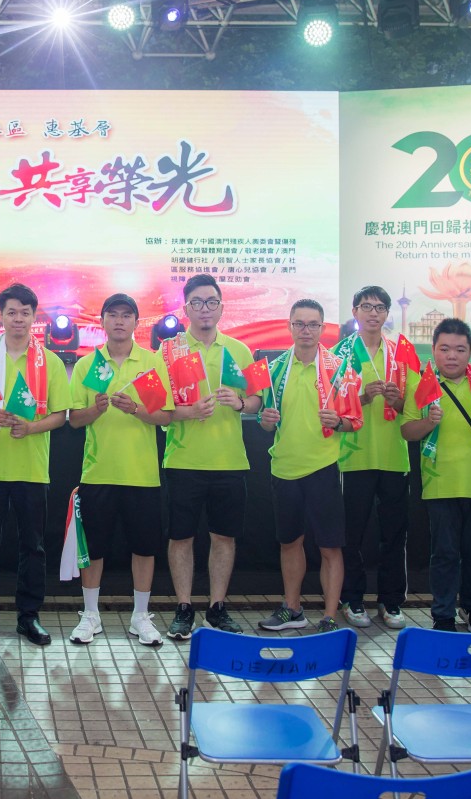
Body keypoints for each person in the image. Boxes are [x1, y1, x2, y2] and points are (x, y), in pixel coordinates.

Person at [0, 283, 70, 647]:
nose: (18, 319)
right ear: (1, 316)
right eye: (12, 312)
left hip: (31, 469)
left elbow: (60, 415)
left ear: (34, 317)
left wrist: (31, 427)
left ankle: (29, 616)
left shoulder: (50, 362)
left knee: (33, 546)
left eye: (25, 312)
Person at [68, 293, 175, 646]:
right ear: (101, 321)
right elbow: (74, 419)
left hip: (141, 474)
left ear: (136, 322)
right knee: (94, 549)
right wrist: (95, 410)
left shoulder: (150, 362)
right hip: (97, 472)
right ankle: (91, 615)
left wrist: (136, 410)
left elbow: (165, 417)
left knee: (144, 548)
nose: (119, 321)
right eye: (112, 314)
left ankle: (141, 616)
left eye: (126, 315)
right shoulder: (88, 365)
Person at [163, 274, 257, 640]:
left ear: (221, 307)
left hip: (229, 461)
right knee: (181, 538)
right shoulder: (168, 351)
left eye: (212, 302)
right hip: (183, 460)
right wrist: (187, 412)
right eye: (197, 302)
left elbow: (258, 400)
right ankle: (184, 608)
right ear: (186, 308)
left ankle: (217, 608)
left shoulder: (240, 350)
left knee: (224, 538)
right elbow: (156, 409)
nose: (205, 308)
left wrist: (241, 403)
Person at [400, 318, 471, 633]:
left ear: (470, 351)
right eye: (445, 348)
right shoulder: (422, 386)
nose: (452, 356)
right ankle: (443, 614)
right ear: (433, 350)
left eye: (460, 349)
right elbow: (407, 431)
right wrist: (429, 423)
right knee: (445, 553)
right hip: (439, 484)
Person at [257, 299, 358, 634]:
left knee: (330, 546)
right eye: (299, 323)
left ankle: (329, 617)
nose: (305, 330)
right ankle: (293, 609)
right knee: (289, 543)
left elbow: (354, 421)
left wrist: (339, 421)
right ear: (289, 326)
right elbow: (266, 422)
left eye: (312, 324)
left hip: (324, 467)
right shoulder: (275, 369)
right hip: (284, 467)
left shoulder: (339, 369)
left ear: (322, 328)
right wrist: (265, 420)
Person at [334, 287, 411, 630]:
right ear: (355, 311)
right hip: (353, 457)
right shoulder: (339, 354)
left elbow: (414, 406)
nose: (373, 313)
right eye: (366, 307)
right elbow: (331, 407)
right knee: (352, 534)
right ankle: (351, 598)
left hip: (394, 456)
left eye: (380, 308)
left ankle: (391, 601)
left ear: (387, 314)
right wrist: (364, 398)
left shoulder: (401, 354)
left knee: (394, 534)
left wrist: (397, 401)